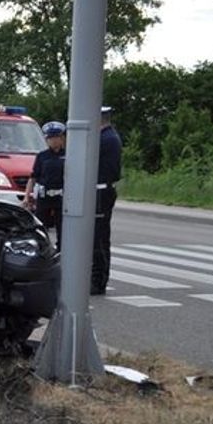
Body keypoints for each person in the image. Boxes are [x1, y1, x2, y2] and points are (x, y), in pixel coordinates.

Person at [91, 106, 122, 295]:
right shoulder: (108, 137)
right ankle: (95, 278)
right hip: (100, 190)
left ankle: (98, 280)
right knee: (96, 238)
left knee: (99, 239)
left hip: (101, 191)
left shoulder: (105, 139)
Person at [25, 121, 67, 250]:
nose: (53, 141)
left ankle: (61, 248)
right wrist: (27, 196)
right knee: (40, 225)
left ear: (61, 139)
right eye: (50, 138)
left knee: (62, 226)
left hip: (61, 197)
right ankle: (41, 248)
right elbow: (33, 177)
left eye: (56, 138)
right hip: (44, 196)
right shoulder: (42, 156)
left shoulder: (68, 155)